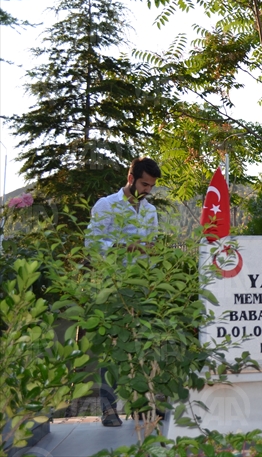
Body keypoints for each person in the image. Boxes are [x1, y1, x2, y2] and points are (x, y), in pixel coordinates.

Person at [86, 157, 162, 427]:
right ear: (131, 179)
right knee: (112, 347)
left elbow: (151, 245)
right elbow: (92, 243)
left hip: (142, 286)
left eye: (151, 186)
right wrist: (127, 246)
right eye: (144, 184)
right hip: (113, 285)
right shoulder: (106, 205)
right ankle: (108, 409)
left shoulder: (150, 211)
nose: (147, 191)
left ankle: (143, 407)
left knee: (143, 345)